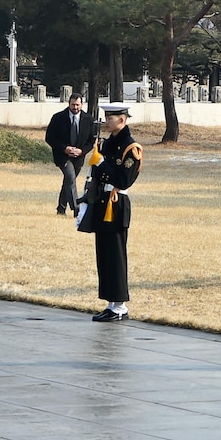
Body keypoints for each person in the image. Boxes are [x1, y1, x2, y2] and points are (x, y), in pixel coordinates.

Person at [76, 103, 142, 322]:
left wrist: (102, 163)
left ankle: (120, 305)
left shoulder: (131, 148)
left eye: (110, 118)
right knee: (104, 255)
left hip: (116, 203)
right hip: (103, 202)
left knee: (115, 255)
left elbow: (124, 179)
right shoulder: (107, 144)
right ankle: (111, 303)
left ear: (122, 120)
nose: (106, 121)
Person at [45, 93, 92, 217]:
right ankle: (76, 208)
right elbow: (49, 138)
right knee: (70, 177)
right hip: (62, 156)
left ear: (82, 105)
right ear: (69, 104)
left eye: (77, 105)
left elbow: (91, 141)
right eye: (73, 104)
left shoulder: (88, 119)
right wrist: (65, 149)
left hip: (79, 157)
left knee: (68, 181)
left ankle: (61, 208)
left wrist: (82, 151)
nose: (75, 107)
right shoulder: (58, 118)